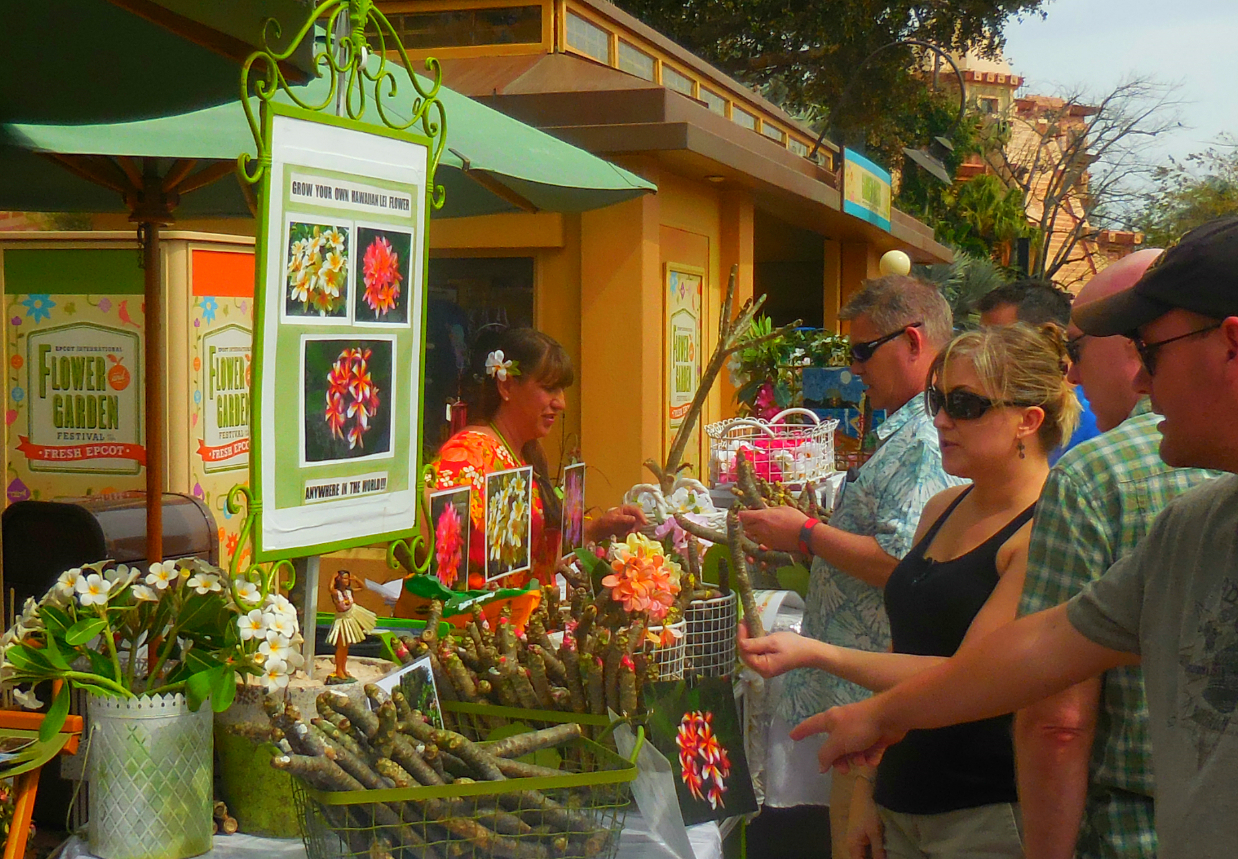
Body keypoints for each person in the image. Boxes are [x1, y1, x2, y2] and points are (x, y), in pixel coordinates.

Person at [794, 216, 1238, 859]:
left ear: (1231, 345)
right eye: (939, 403)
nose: (1140, 382)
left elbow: (1055, 715)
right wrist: (879, 723)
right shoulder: (1193, 527)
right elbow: (1040, 650)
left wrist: (830, 664)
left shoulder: (1086, 492)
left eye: (1151, 351)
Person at [741, 323, 1079, 858]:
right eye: (937, 400)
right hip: (902, 798)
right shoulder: (942, 508)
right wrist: (868, 791)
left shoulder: (1045, 531)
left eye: (965, 405)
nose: (941, 419)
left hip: (983, 812)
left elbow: (970, 677)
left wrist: (817, 653)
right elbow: (905, 651)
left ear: (1028, 420)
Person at [738, 275, 964, 857]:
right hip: (863, 701)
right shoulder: (909, 427)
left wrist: (807, 534)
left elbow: (904, 563)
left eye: (863, 351)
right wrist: (803, 540)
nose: (854, 368)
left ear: (912, 341)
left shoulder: (924, 439)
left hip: (879, 702)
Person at [1014, 251, 1216, 859]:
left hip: (1132, 832)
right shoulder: (1194, 503)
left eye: (1076, 348)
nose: (1072, 374)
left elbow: (1057, 715)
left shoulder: (1095, 476)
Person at [421, 327, 645, 591]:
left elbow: (534, 558)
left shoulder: (527, 452)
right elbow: (428, 540)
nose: (561, 403)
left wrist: (596, 529)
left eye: (562, 390)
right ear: (506, 386)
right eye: (549, 388)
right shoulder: (466, 457)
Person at [977, 278, 1101, 457]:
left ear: (1048, 336)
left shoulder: (1096, 419)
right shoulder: (993, 407)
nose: (982, 352)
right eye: (981, 338)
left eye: (1000, 340)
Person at [326, 570, 377, 683]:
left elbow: (363, 588)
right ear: (339, 579)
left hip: (351, 616)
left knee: (346, 647)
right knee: (341, 646)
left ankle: (343, 668)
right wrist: (332, 577)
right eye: (344, 578)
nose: (346, 581)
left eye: (347, 578)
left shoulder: (349, 591)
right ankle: (338, 669)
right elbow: (330, 589)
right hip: (342, 620)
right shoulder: (336, 593)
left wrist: (356, 579)